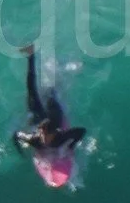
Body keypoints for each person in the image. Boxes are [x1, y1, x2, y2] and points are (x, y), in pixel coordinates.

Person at [12, 48, 87, 187]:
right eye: (42, 134)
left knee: (51, 92)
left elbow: (81, 131)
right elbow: (16, 135)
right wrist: (21, 150)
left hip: (54, 110)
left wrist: (70, 146)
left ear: (54, 133)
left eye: (46, 135)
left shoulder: (60, 138)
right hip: (38, 117)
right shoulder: (35, 140)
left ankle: (59, 68)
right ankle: (31, 56)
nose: (43, 137)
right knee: (31, 88)